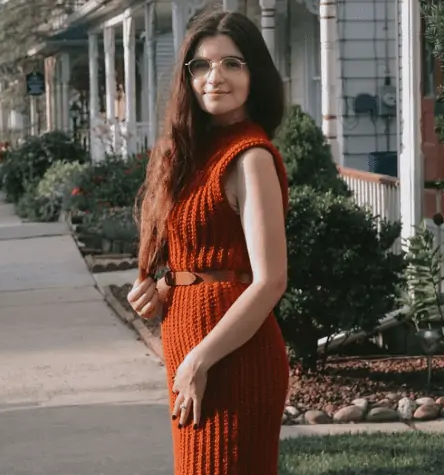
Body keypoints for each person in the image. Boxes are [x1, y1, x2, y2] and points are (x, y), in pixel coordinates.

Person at [126, 9, 289, 475]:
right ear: (187, 77)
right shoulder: (187, 154)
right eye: (202, 65)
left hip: (231, 356)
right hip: (187, 345)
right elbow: (197, 254)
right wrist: (161, 286)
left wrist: (200, 360)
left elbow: (270, 280)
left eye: (232, 63)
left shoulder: (250, 157)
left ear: (254, 73)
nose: (215, 77)